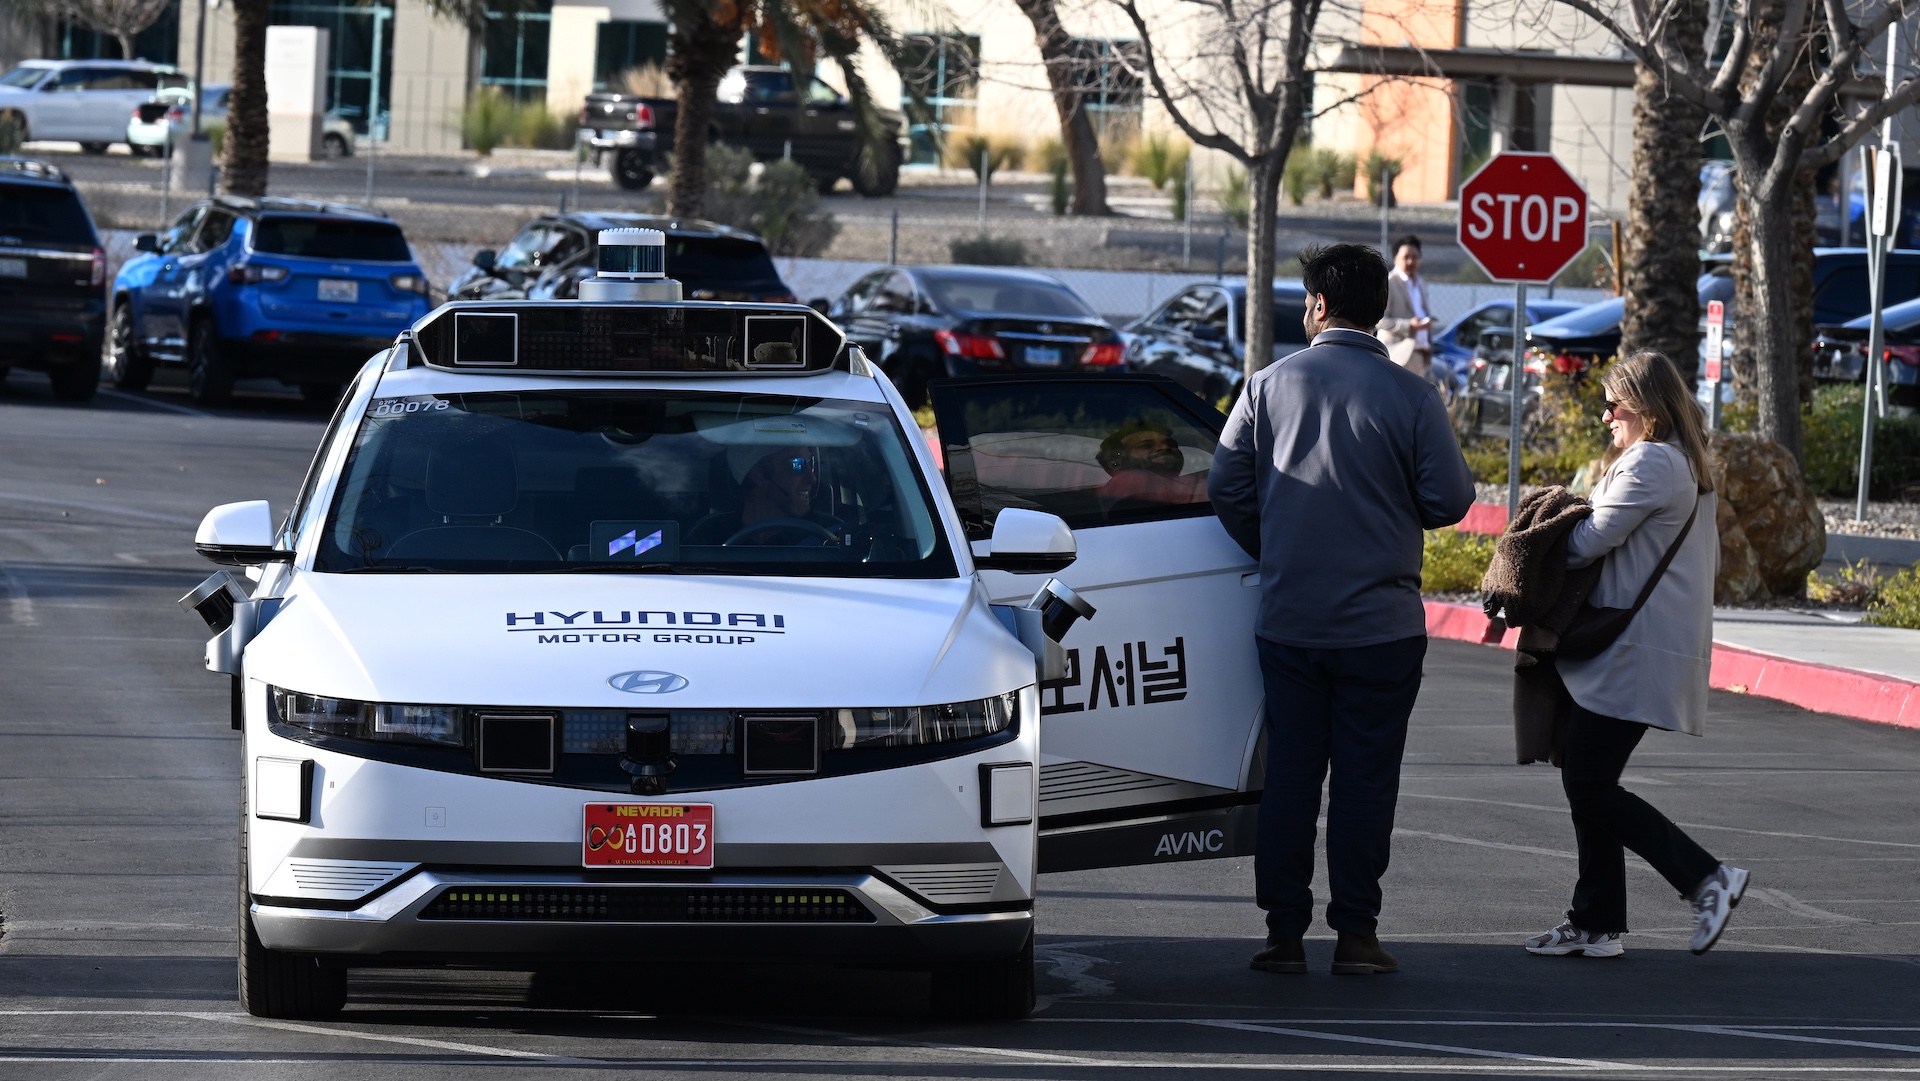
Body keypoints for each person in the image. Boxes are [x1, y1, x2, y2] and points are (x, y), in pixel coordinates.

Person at [1210, 243, 1476, 976]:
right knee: (1365, 780)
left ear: (1319, 305)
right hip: (1381, 631)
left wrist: (1279, 545)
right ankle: (1356, 933)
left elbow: (1223, 487)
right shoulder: (1413, 397)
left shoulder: (1265, 387)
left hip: (1291, 621)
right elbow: (1449, 500)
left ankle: (1283, 934)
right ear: (1381, 308)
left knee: (1293, 776)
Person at [1524, 350, 1750, 959]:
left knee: (1590, 783)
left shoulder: (1652, 461)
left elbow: (1587, 542)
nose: (1605, 417)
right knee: (1587, 778)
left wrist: (1538, 529)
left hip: (1631, 651)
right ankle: (1595, 922)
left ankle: (1707, 879)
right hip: (1641, 647)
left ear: (1647, 412)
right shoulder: (1682, 462)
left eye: (1614, 405)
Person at [688, 444, 842, 546]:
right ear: (758, 475)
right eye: (797, 464)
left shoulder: (832, 533)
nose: (812, 478)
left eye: (811, 463)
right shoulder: (709, 536)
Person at [1096, 418, 1206, 510]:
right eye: (1146, 445)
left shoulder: (1182, 481)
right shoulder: (1133, 480)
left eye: (1171, 443)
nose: (1165, 447)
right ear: (1117, 461)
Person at [1378, 235, 1434, 378]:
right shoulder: (1389, 283)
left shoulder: (1420, 283)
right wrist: (1409, 325)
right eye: (1406, 257)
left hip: (1420, 354)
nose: (1410, 261)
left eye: (1415, 257)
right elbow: (1379, 320)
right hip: (1397, 355)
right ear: (1396, 259)